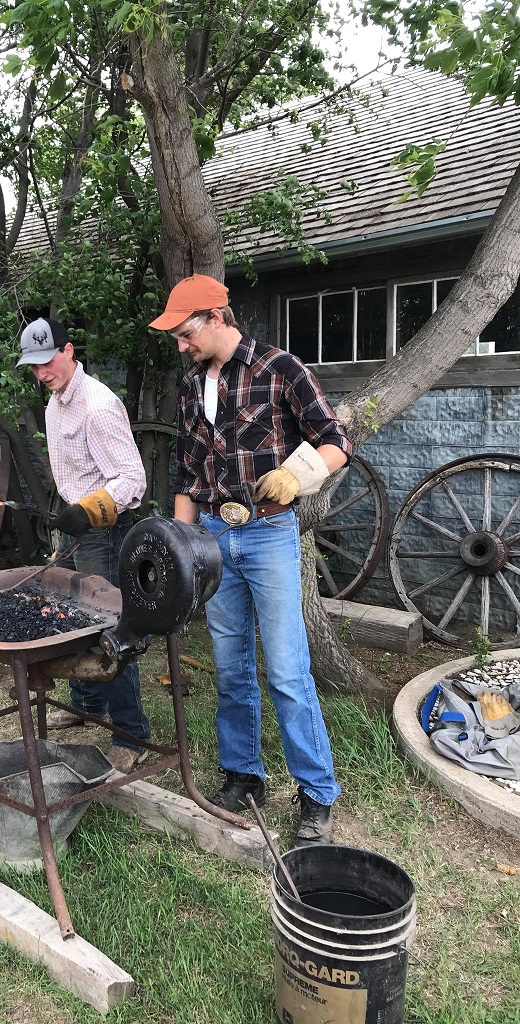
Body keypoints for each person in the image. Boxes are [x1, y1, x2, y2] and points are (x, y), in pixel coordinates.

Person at [148, 275, 352, 846]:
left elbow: (336, 439)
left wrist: (296, 474)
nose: (180, 344)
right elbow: (189, 474)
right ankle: (243, 777)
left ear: (216, 317)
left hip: (267, 534)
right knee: (231, 666)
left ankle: (316, 796)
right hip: (212, 535)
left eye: (185, 333)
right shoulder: (192, 387)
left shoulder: (280, 368)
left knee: (287, 671)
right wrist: (179, 551)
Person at [16, 317, 151, 773]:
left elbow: (132, 479)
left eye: (48, 361)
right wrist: (69, 514)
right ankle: (88, 704)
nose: (41, 372)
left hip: (106, 529)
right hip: (75, 522)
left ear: (69, 350)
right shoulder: (56, 404)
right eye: (33, 366)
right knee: (69, 614)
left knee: (110, 625)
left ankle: (130, 734)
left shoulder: (97, 406)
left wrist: (89, 510)